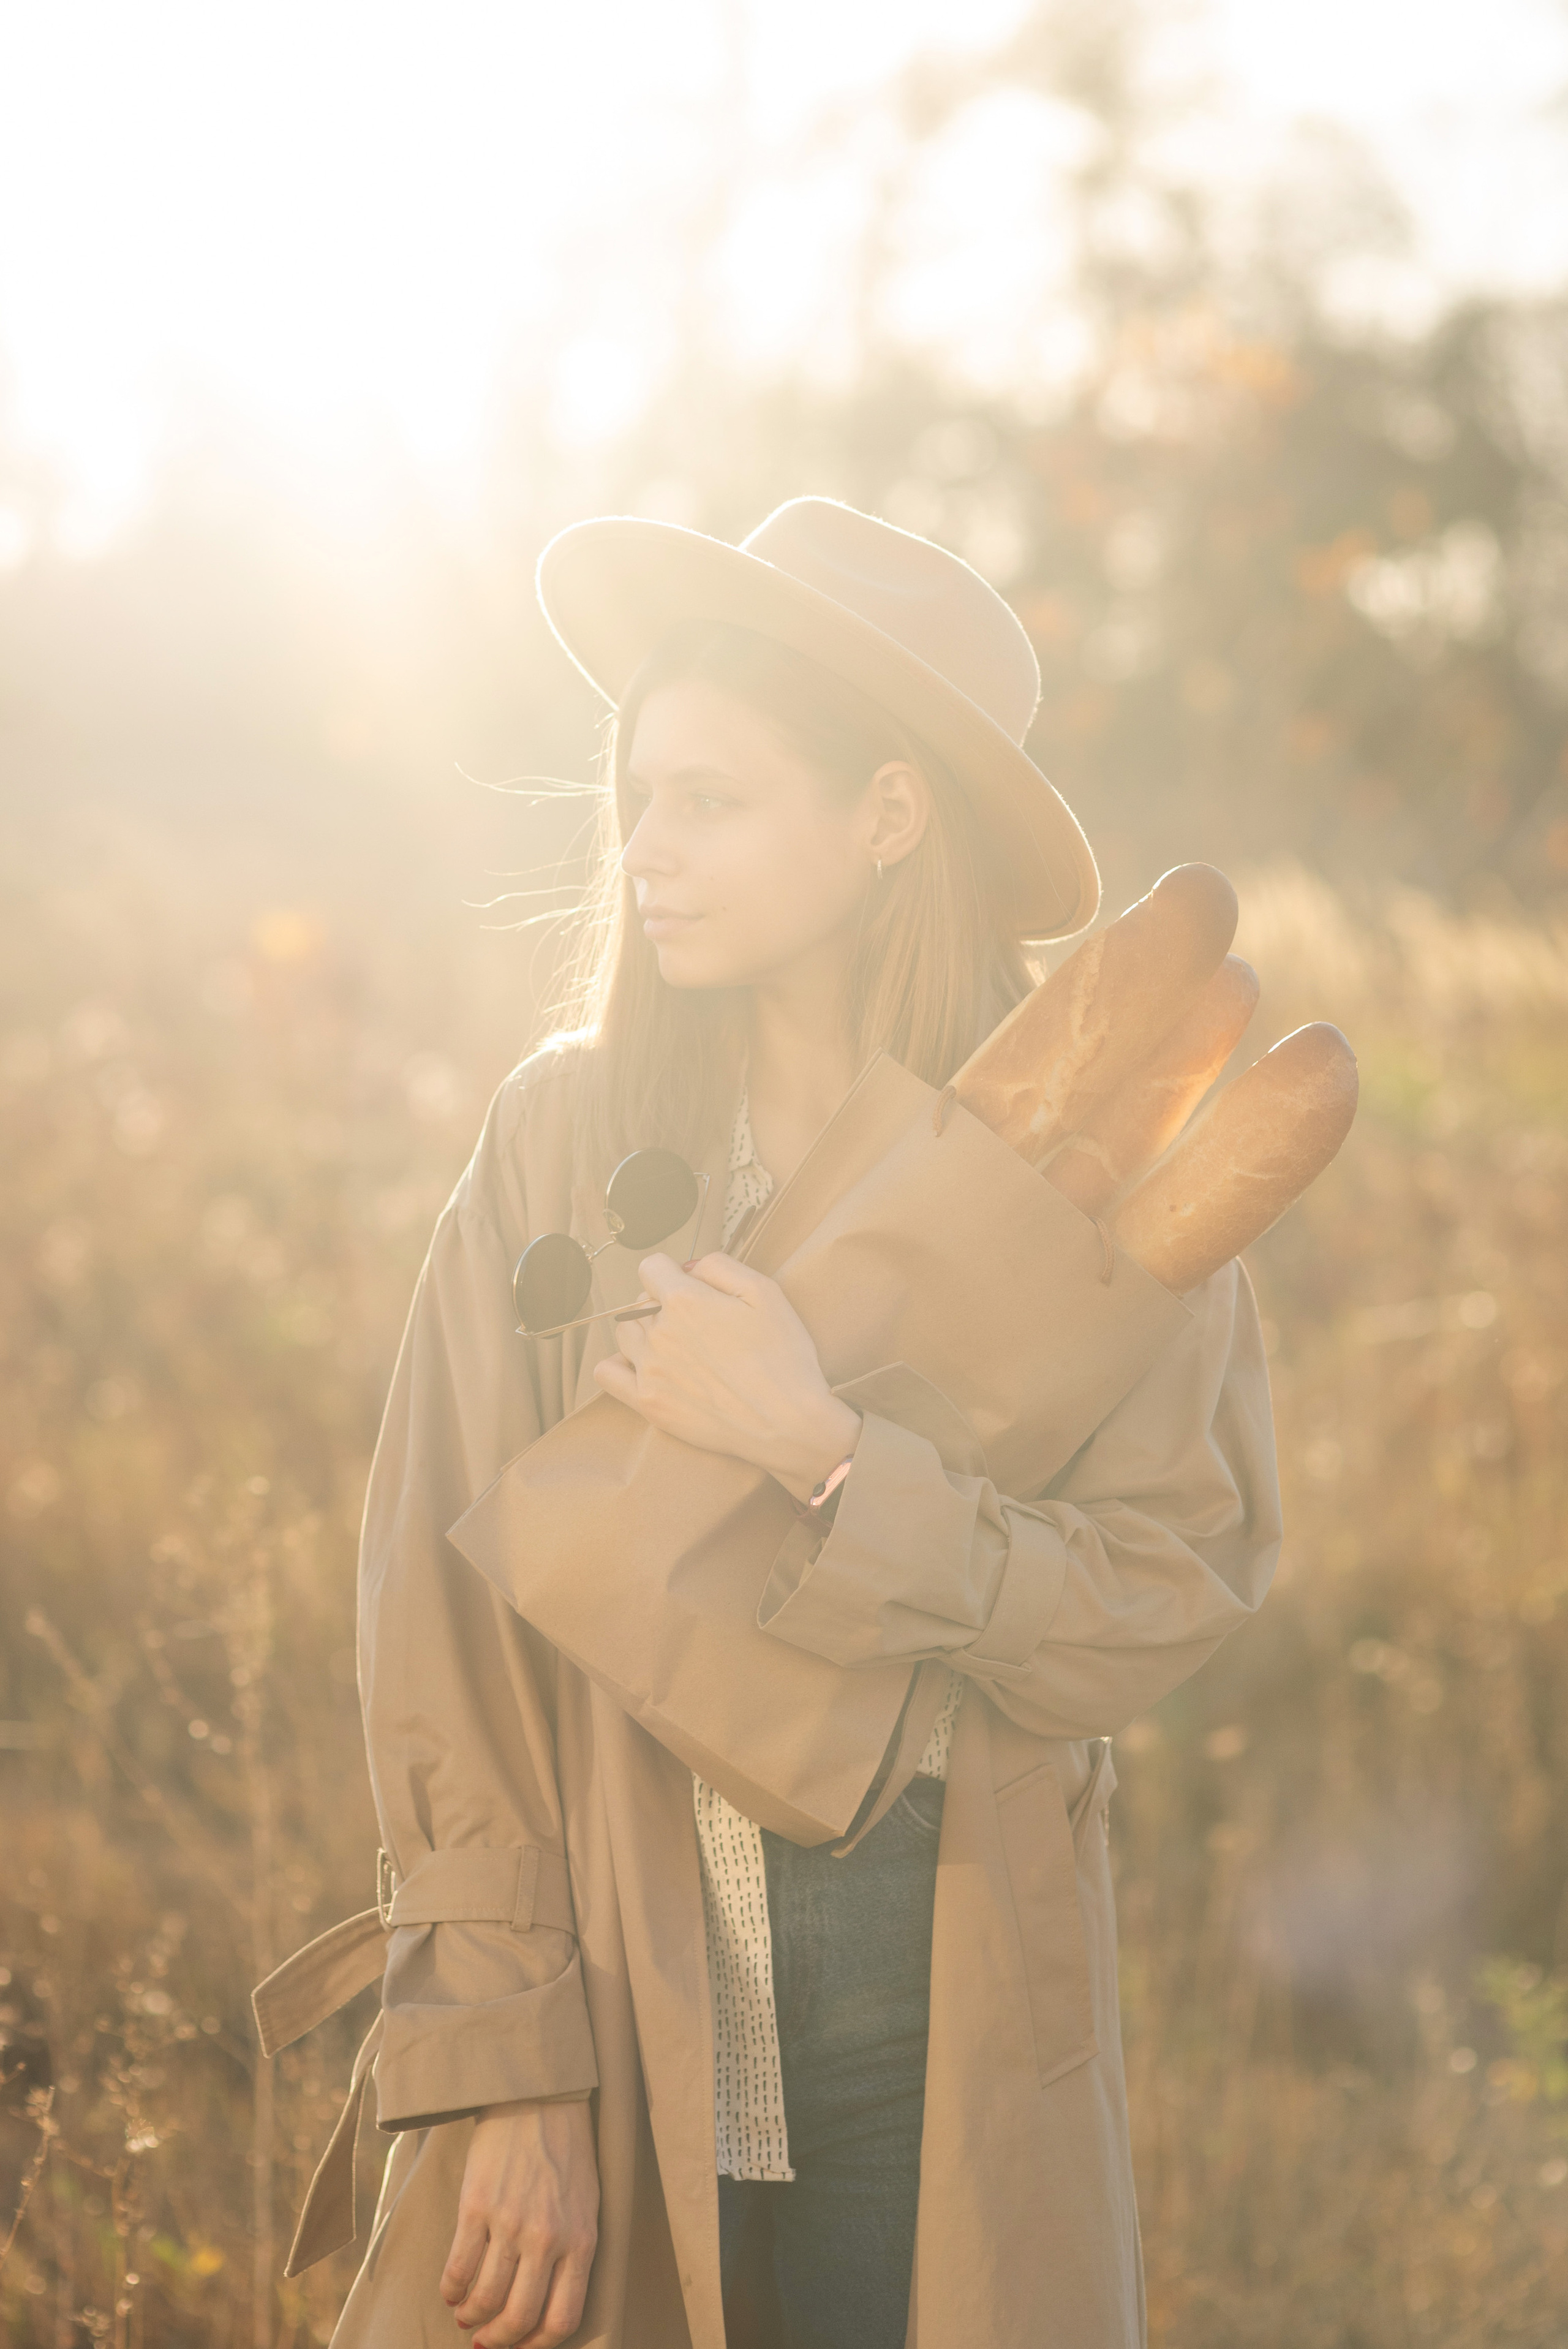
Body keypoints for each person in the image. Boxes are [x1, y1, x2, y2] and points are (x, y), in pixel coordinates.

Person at [304, 497, 1281, 2349]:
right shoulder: (561, 1139)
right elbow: (438, 1634)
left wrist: (833, 1459)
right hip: (615, 1981)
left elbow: (1163, 1593)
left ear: (888, 815)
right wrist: (513, 2063)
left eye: (712, 800)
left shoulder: (1092, 1174)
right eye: (638, 797)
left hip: (941, 2004)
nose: (645, 852)